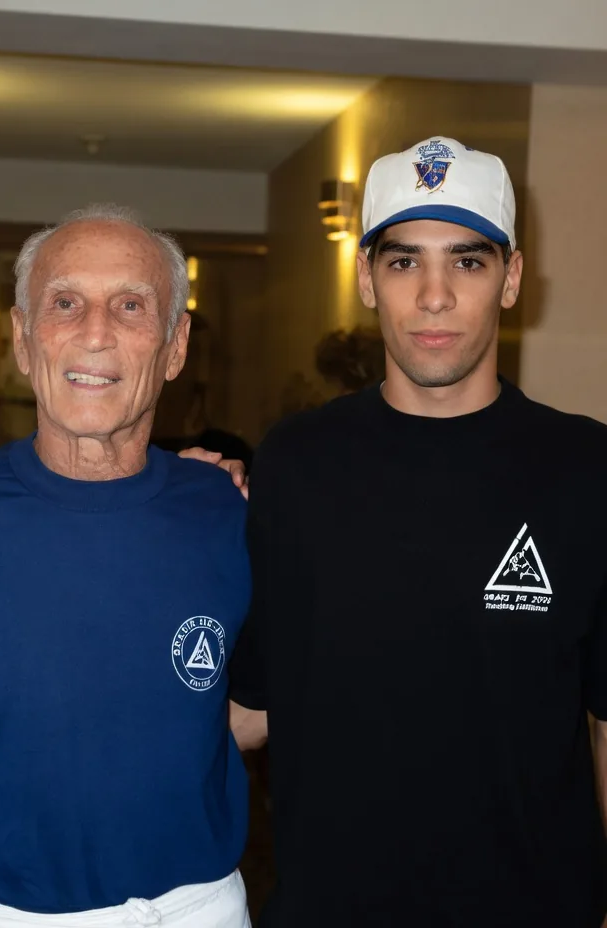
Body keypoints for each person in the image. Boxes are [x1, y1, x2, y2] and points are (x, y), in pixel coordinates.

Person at [228, 136, 607, 927]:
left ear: (512, 278)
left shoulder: (586, 467)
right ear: (366, 278)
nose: (435, 296)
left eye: (467, 262)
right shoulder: (296, 463)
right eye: (404, 262)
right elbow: (252, 708)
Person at [0, 204, 253, 928]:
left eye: (130, 305)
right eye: (65, 303)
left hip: (192, 907)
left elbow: (250, 709)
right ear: (24, 341)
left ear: (175, 343)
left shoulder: (226, 510)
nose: (96, 332)